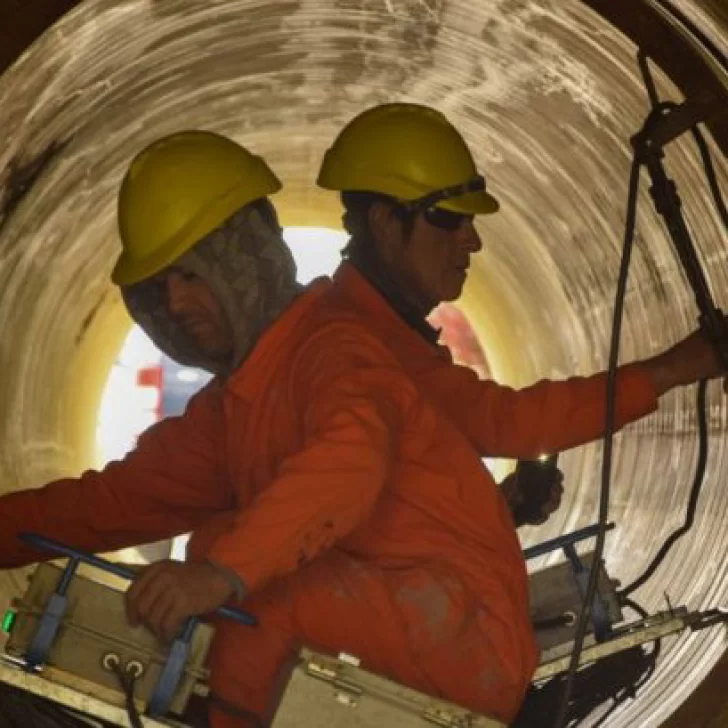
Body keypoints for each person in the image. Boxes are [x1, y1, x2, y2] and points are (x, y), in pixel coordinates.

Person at [0, 112, 719, 728]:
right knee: (220, 553)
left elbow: (357, 459)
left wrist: (222, 575)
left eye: (194, 274)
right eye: (163, 289)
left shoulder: (337, 350)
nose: (180, 304)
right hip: (425, 615)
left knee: (251, 595)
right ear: (385, 222)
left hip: (461, 632)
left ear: (240, 262)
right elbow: (114, 504)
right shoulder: (250, 395)